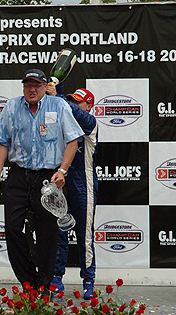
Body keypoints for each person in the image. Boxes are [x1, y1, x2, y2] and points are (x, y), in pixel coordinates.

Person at [0, 69, 84, 293]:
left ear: (44, 86)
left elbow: (73, 141)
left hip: (48, 177)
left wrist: (62, 171)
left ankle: (43, 286)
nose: (32, 89)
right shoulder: (12, 106)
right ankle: (28, 280)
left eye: (37, 85)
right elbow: (2, 142)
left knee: (47, 234)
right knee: (12, 228)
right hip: (19, 175)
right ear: (23, 87)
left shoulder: (58, 106)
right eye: (27, 85)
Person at [47, 85, 98, 300]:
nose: (75, 105)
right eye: (72, 100)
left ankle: (88, 279)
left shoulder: (91, 123)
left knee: (84, 234)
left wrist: (57, 96)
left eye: (79, 101)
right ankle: (56, 278)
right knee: (58, 232)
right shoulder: (63, 122)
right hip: (61, 181)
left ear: (89, 106)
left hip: (83, 183)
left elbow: (75, 114)